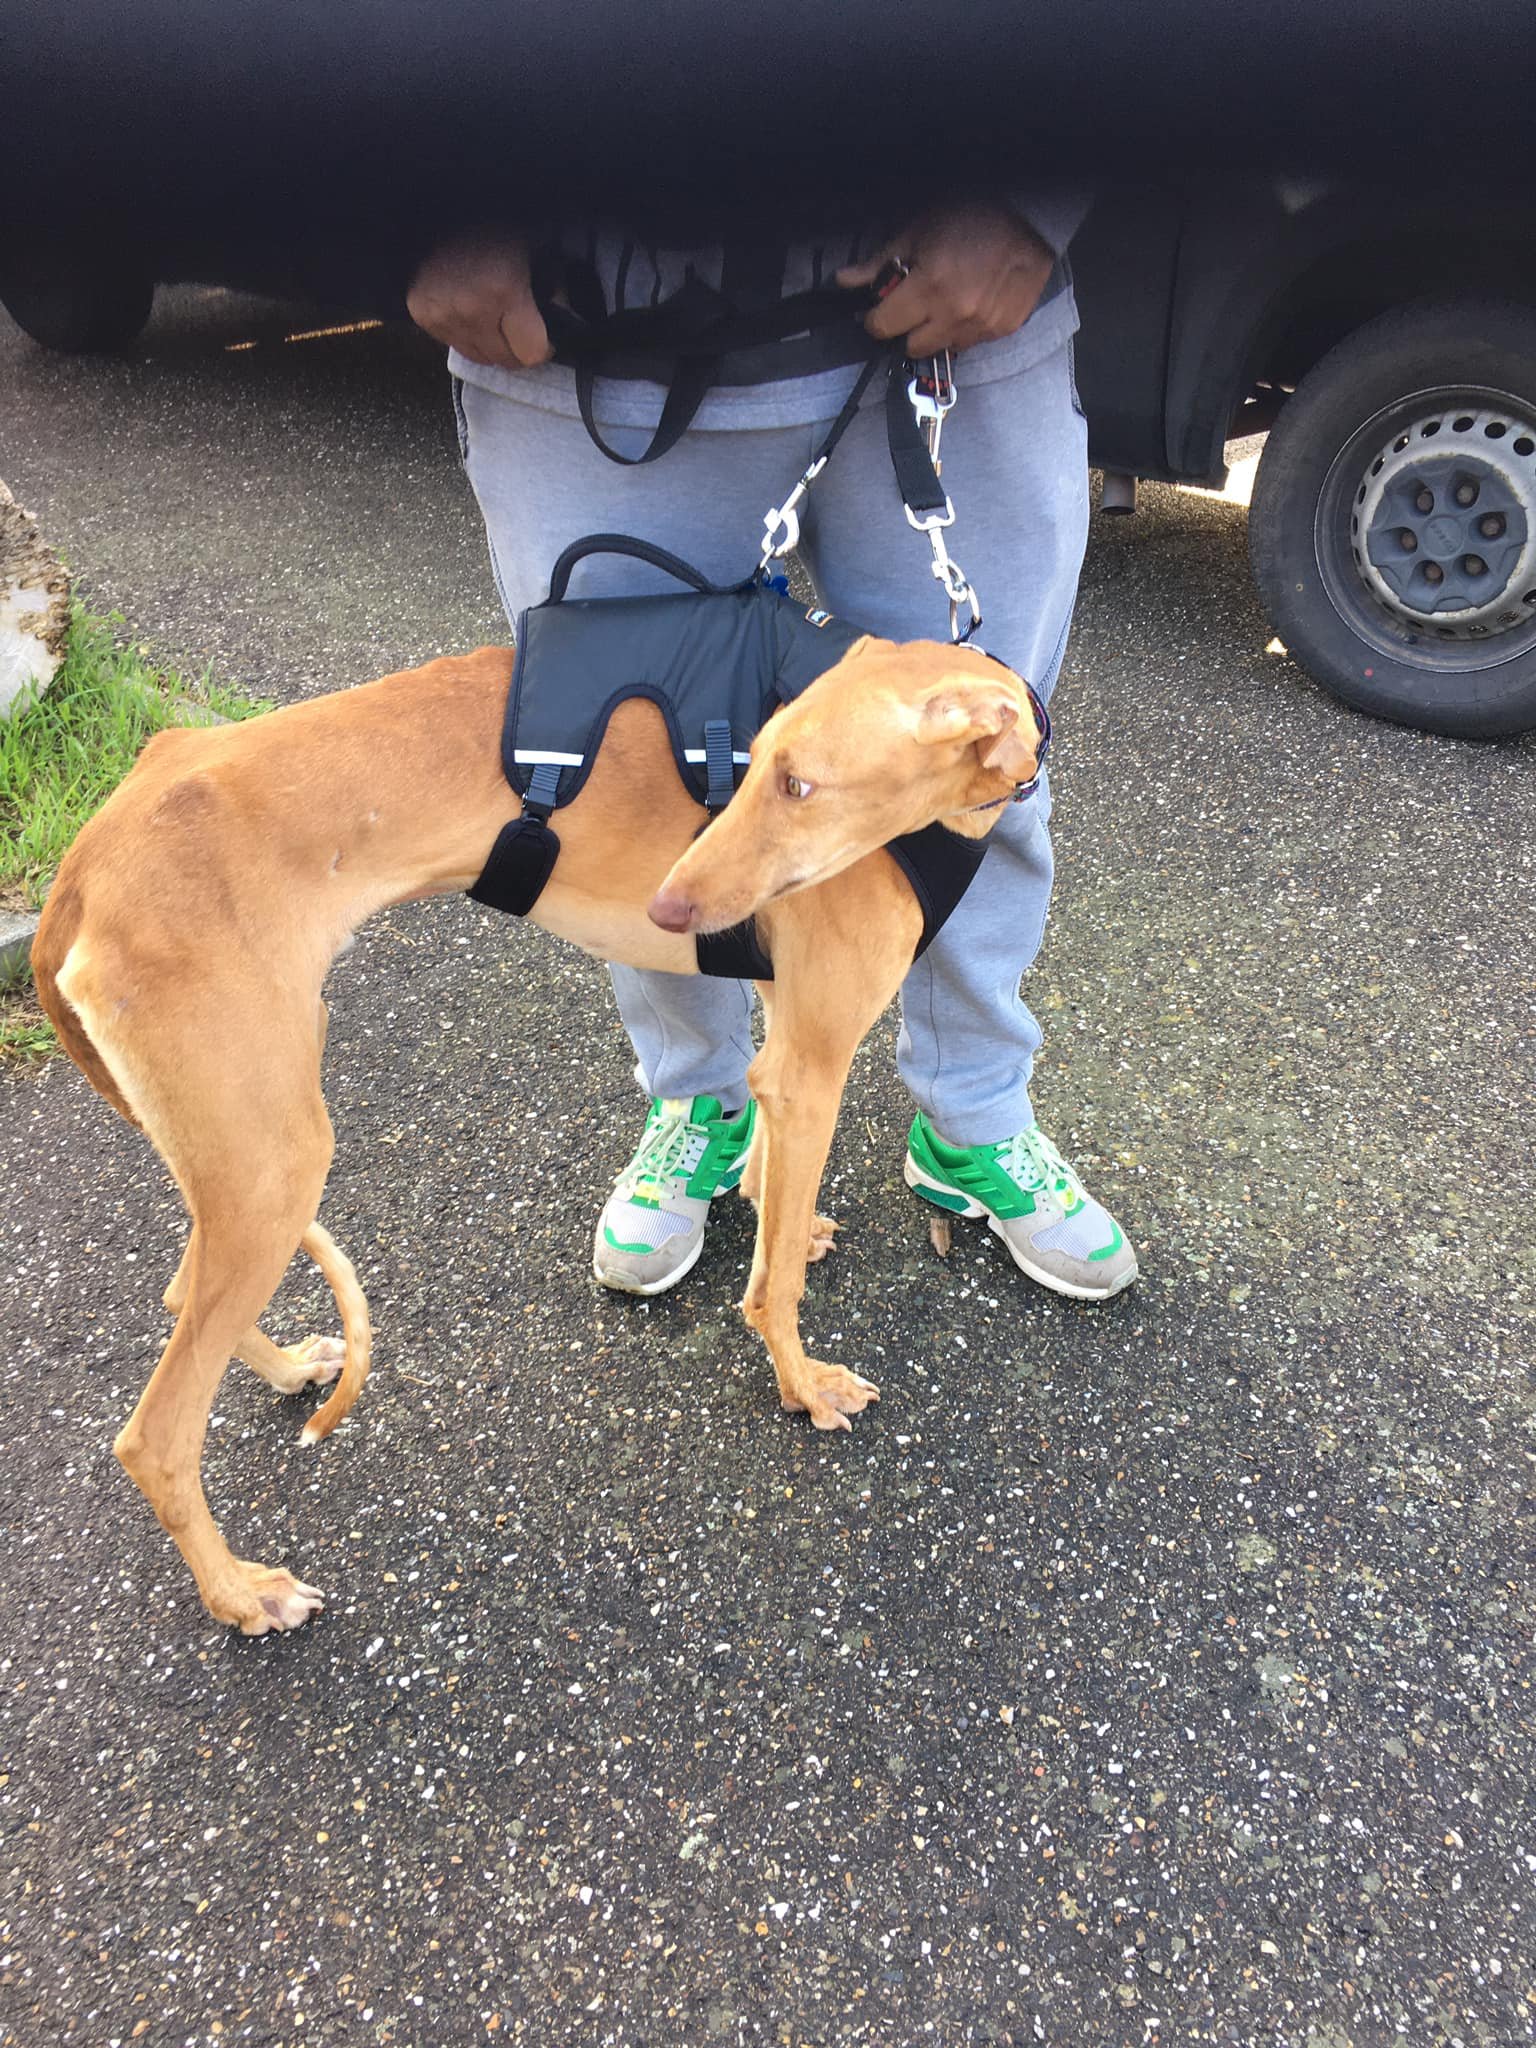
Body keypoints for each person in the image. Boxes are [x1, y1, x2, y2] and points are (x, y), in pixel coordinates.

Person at [408, 197, 1138, 1304]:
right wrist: (414, 217)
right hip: (586, 331)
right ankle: (699, 1100)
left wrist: (1034, 205)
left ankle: (975, 1112)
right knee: (624, 769)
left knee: (989, 766)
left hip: (959, 328)